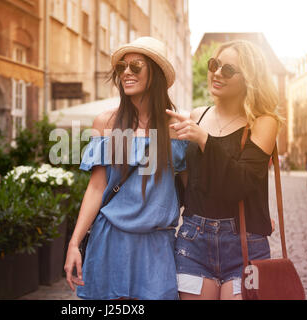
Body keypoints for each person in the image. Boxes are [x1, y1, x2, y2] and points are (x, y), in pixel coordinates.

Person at [63, 37, 188, 300]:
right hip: (110, 240)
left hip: (157, 244)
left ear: (155, 72)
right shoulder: (106, 122)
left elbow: (193, 189)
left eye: (136, 66)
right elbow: (96, 188)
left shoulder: (175, 128)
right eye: (122, 67)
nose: (127, 72)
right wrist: (74, 243)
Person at [167, 40, 282, 300]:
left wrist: (205, 140)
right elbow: (189, 184)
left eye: (228, 70)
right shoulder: (196, 115)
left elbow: (240, 183)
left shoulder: (263, 123)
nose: (217, 73)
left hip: (244, 245)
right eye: (214, 65)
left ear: (250, 79)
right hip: (194, 240)